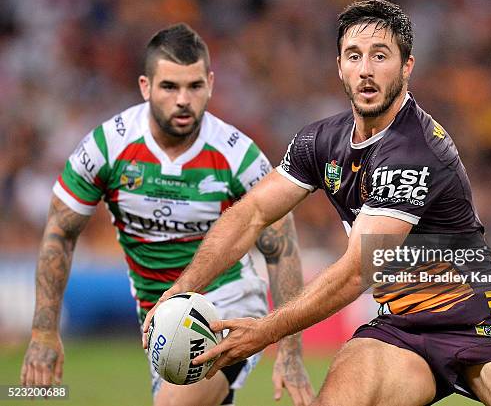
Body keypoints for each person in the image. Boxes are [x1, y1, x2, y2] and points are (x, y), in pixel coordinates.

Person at [143, 0, 491, 406]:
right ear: (339, 66)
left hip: (479, 321)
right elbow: (251, 214)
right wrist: (181, 288)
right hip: (402, 329)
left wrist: (264, 332)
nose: (365, 70)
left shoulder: (415, 149)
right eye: (354, 55)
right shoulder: (319, 141)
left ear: (407, 66)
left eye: (380, 56)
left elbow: (357, 271)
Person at [21, 23, 313, 406]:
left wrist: (290, 354)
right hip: (157, 315)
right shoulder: (107, 147)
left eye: (194, 86)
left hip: (227, 302)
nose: (183, 100)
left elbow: (282, 248)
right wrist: (44, 332)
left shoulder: (237, 155)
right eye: (169, 87)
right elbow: (60, 232)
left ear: (210, 83)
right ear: (145, 86)